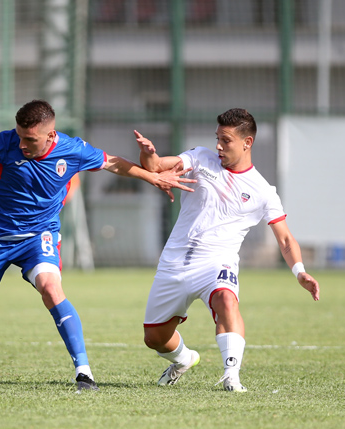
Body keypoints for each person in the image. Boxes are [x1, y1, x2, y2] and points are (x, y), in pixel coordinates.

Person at [0, 99, 192, 391]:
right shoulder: (3, 143)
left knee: (51, 288)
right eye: (20, 136)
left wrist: (152, 177)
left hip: (39, 235)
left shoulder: (72, 149)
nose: (23, 144)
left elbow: (114, 163)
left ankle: (84, 373)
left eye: (30, 139)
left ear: (51, 135)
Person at [135, 108, 320, 392]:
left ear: (247, 143)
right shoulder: (200, 157)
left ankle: (231, 375)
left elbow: (285, 239)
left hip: (217, 264)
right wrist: (149, 153)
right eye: (217, 138)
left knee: (226, 300)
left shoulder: (263, 191)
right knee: (155, 338)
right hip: (175, 261)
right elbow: (157, 166)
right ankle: (185, 359)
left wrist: (300, 272)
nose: (219, 146)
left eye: (226, 140)